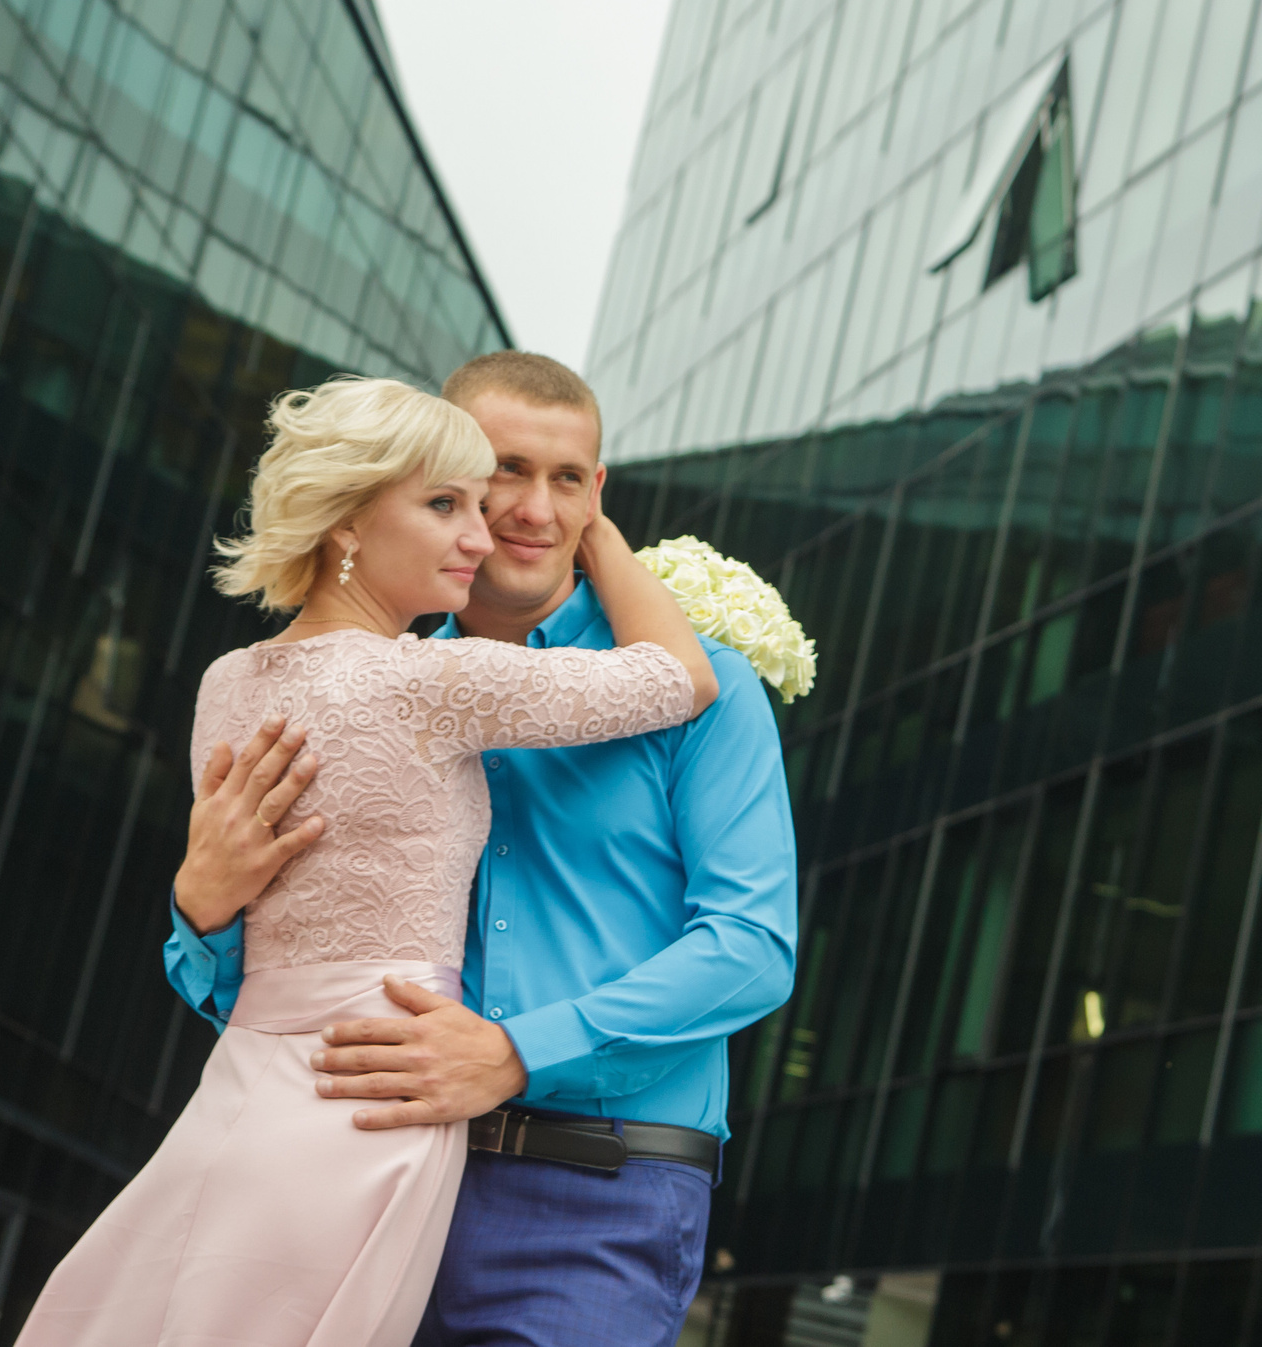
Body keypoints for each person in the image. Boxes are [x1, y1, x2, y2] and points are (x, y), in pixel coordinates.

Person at [15, 374, 717, 1347]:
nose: (480, 534)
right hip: (372, 1101)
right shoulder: (434, 681)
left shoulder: (226, 683)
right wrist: (592, 529)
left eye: (480, 506)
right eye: (446, 505)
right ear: (345, 524)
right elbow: (681, 678)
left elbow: (247, 926)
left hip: (245, 1091)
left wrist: (195, 903)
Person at [162, 352, 798, 1347]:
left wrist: (514, 1051)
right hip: (361, 1171)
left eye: (568, 479)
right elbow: (258, 983)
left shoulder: (703, 690)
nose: (533, 510)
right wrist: (202, 909)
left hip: (596, 1196)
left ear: (599, 498)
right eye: (504, 470)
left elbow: (753, 948)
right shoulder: (346, 684)